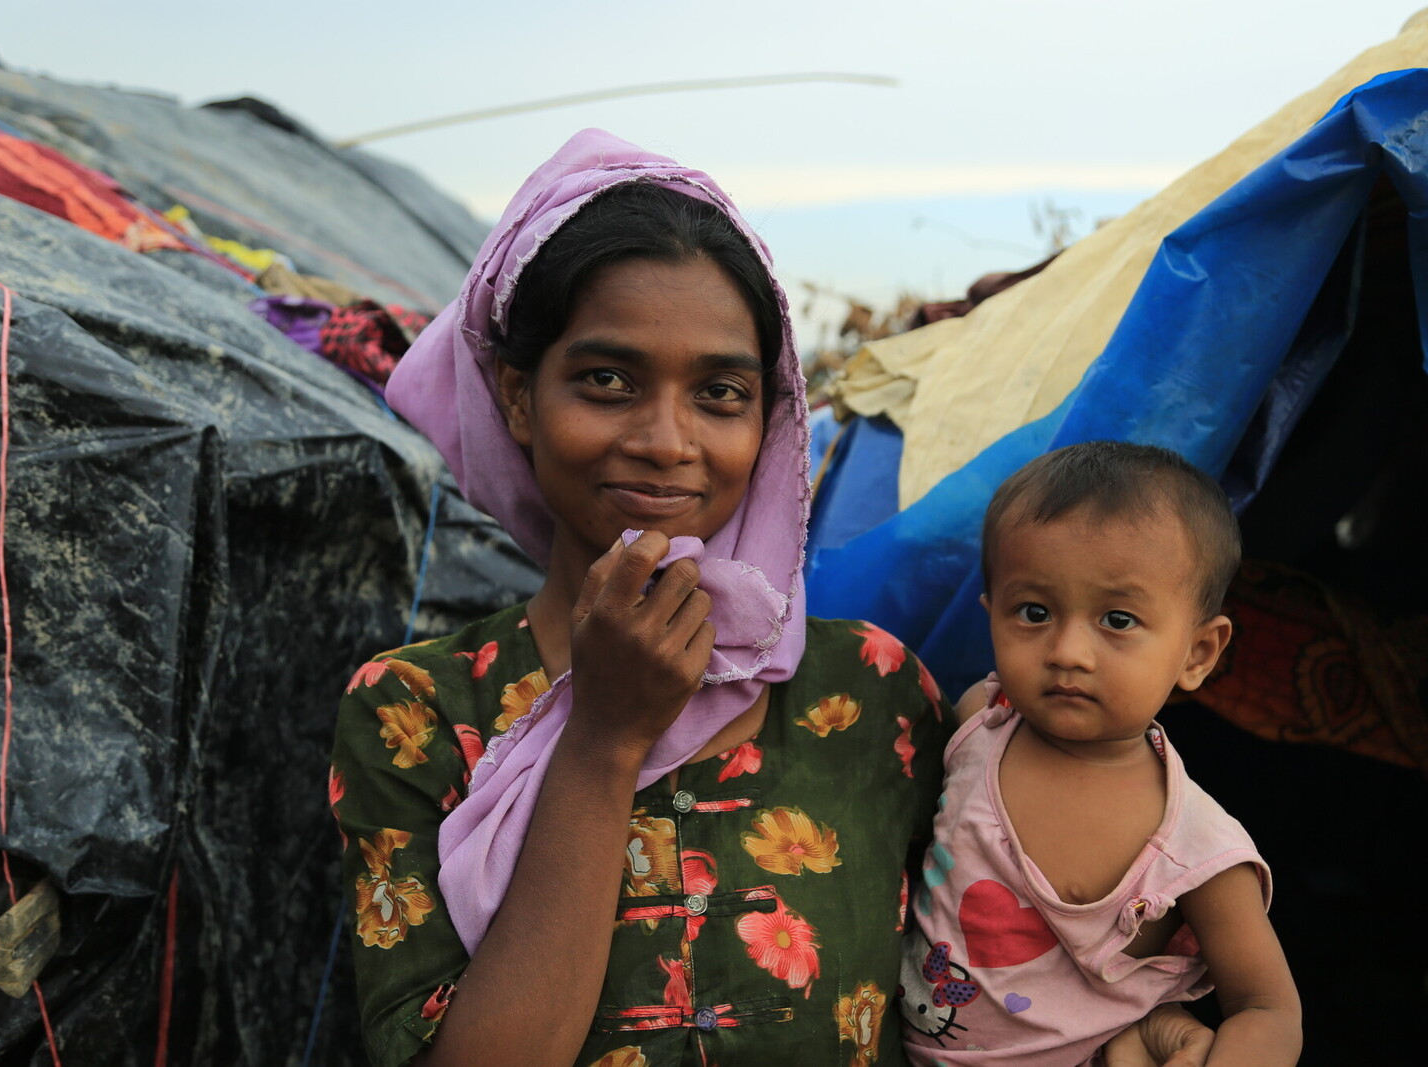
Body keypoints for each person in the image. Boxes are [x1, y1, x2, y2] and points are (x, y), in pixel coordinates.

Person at [330, 130, 1218, 1067]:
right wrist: (601, 738)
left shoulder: (871, 692)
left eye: (720, 392)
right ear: (517, 395)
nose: (668, 439)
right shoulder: (415, 710)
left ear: (772, 415)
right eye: (607, 380)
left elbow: (995, 969)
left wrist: (1147, 1028)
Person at [899, 442, 1301, 1066]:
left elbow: (1268, 1009)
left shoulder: (1196, 852)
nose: (1067, 651)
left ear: (1198, 653)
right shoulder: (981, 721)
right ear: (992, 617)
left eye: (1117, 619)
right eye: (1033, 612)